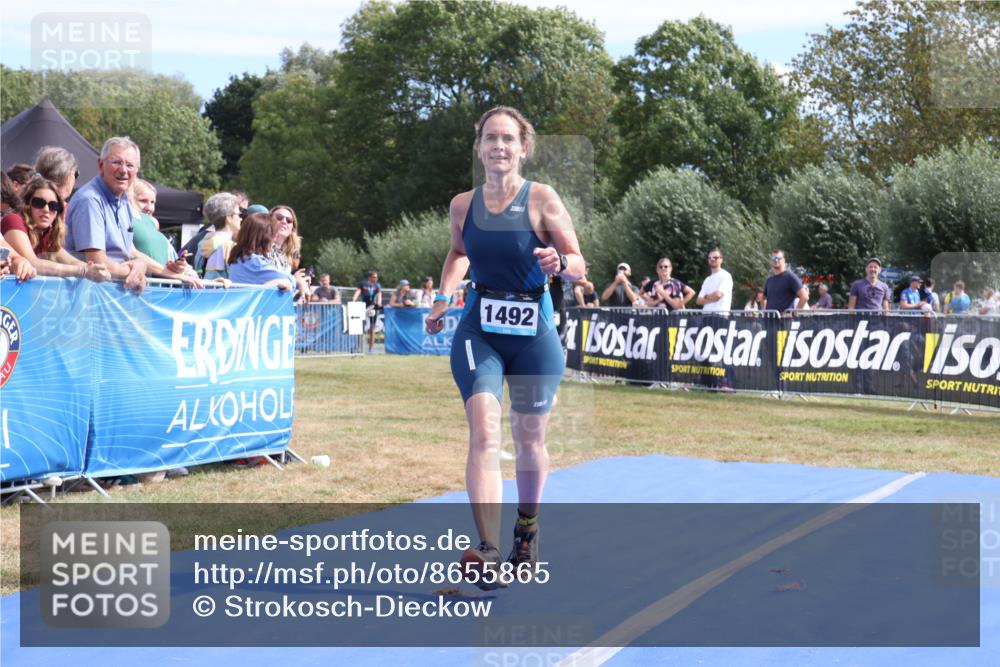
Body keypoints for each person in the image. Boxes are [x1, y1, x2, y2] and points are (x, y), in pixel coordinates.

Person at [424, 106, 584, 588]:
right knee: (485, 433)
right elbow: (458, 253)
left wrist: (560, 261)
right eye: (490, 138)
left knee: (530, 439)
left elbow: (579, 263)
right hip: (481, 330)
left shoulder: (542, 200)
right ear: (479, 148)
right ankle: (489, 549)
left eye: (508, 139)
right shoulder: (461, 205)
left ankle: (526, 530)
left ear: (523, 148)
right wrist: (441, 297)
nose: (499, 146)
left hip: (535, 332)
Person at [64, 137, 198, 294]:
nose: (123, 170)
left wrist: (168, 272)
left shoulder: (124, 201)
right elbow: (97, 262)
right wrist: (136, 269)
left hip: (111, 294)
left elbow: (130, 251)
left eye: (130, 165)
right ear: (101, 165)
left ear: (136, 171)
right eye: (117, 162)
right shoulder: (90, 200)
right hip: (87, 297)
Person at [2, 177, 110, 282]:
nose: (46, 210)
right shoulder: (13, 220)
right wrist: (83, 271)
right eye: (39, 203)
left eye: (53, 206)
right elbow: (33, 263)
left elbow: (71, 261)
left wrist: (96, 270)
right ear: (27, 204)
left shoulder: (46, 232)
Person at [227, 213, 296, 291]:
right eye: (274, 235)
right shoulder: (254, 262)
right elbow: (289, 279)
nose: (274, 240)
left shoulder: (241, 256)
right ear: (264, 238)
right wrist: (294, 280)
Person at [199, 192, 242, 278]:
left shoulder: (203, 242)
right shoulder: (229, 246)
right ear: (229, 218)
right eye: (239, 214)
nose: (241, 219)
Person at [762, 249, 808, 314]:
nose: (776, 260)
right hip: (770, 322)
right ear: (771, 261)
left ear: (783, 260)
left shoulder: (790, 277)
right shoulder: (769, 280)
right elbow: (763, 298)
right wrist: (764, 312)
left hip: (785, 322)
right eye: (773, 258)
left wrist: (794, 313)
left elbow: (804, 297)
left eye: (778, 258)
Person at [353, 270, 383, 352]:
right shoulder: (363, 283)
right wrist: (354, 300)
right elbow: (358, 292)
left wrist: (379, 303)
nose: (375, 279)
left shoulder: (377, 285)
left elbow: (379, 295)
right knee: (360, 328)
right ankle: (359, 347)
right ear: (369, 277)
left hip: (373, 306)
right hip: (363, 306)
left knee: (372, 327)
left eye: (376, 277)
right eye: (374, 277)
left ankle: (371, 348)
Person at [696, 247, 733, 311]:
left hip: (720, 316)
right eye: (710, 258)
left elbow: (718, 295)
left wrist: (706, 297)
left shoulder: (726, 276)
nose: (712, 259)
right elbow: (699, 301)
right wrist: (712, 298)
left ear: (721, 260)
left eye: (715, 258)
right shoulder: (707, 279)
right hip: (706, 316)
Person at [269, 205, 302, 272]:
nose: (284, 222)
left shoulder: (287, 256)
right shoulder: (261, 248)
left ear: (292, 229)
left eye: (289, 220)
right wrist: (294, 279)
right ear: (269, 221)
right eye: (279, 217)